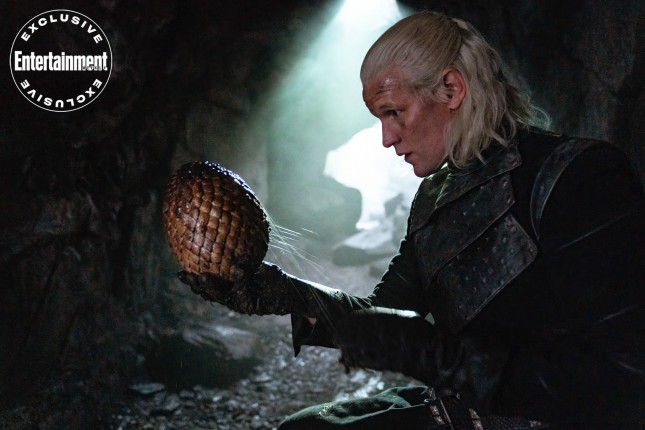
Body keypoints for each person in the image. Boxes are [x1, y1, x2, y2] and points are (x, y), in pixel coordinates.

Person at [179, 11, 644, 429]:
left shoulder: (577, 177)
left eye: (395, 112)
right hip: (464, 408)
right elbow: (383, 317)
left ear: (451, 89)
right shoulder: (435, 197)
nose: (387, 138)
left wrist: (439, 357)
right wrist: (279, 291)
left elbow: (625, 377)